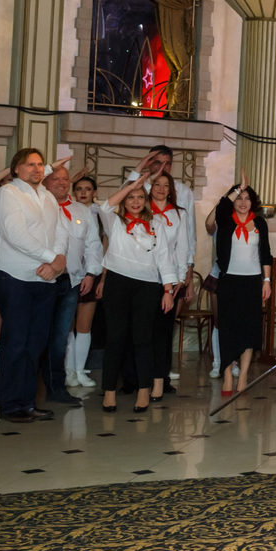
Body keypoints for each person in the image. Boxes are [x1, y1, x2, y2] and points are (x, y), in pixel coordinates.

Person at [0, 147, 67, 423]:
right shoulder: (7, 194)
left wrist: (57, 262)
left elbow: (60, 232)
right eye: (29, 164)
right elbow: (15, 234)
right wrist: (50, 258)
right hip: (14, 276)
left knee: (35, 344)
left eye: (40, 164)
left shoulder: (47, 197)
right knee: (16, 341)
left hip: (44, 278)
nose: (36, 168)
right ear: (16, 169)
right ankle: (10, 405)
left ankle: (28, 402)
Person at [96, 176, 180, 414]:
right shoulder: (114, 221)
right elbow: (103, 206)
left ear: (146, 201)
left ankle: (144, 390)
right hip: (117, 282)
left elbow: (164, 257)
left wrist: (168, 290)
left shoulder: (157, 223)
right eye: (131, 197)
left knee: (143, 339)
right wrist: (129, 186)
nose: (135, 201)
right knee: (115, 339)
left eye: (140, 197)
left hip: (148, 285)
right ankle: (109, 391)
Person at [207, 180, 273, 399]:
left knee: (249, 330)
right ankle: (227, 374)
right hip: (229, 281)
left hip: (253, 282)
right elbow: (219, 209)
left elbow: (266, 253)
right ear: (233, 201)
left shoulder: (260, 223)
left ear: (253, 202)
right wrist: (236, 189)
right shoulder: (226, 221)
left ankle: (243, 376)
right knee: (227, 329)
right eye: (239, 198)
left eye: (247, 198)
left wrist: (267, 281)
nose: (243, 202)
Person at [43, 163, 102, 407]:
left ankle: (57, 387)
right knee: (37, 335)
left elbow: (93, 244)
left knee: (60, 337)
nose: (62, 183)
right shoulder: (38, 207)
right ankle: (25, 387)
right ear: (45, 182)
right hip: (40, 279)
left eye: (65, 179)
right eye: (55, 179)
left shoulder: (82, 211)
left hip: (71, 281)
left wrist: (90, 273)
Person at [143, 170, 192, 401]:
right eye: (157, 184)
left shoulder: (178, 214)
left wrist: (181, 277)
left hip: (168, 280)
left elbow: (182, 247)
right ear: (150, 188)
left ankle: (160, 381)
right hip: (143, 277)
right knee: (143, 332)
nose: (161, 189)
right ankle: (139, 378)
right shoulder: (141, 209)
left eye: (165, 185)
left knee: (162, 333)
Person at [68, 174, 104, 388]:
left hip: (92, 273)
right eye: (79, 188)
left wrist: (102, 279)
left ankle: (80, 370)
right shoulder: (68, 210)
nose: (83, 192)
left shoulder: (101, 214)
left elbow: (106, 246)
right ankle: (68, 370)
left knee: (84, 325)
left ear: (94, 192)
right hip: (69, 273)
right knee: (66, 325)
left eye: (88, 189)